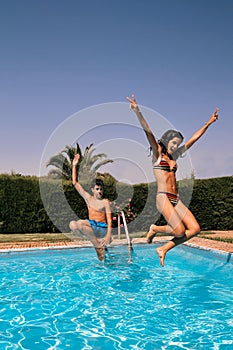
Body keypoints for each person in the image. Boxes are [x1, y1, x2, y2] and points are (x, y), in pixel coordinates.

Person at [127, 94, 218, 267]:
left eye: (178, 144)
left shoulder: (174, 157)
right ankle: (154, 229)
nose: (175, 146)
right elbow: (149, 133)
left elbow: (193, 139)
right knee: (178, 230)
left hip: (175, 199)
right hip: (162, 197)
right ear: (167, 140)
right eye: (174, 142)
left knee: (195, 229)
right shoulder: (157, 154)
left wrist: (208, 123)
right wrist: (138, 112)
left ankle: (163, 248)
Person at [69, 154, 112, 261]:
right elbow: (75, 183)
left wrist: (108, 236)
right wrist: (74, 165)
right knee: (73, 225)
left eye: (101, 189)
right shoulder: (88, 198)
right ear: (92, 189)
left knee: (79, 223)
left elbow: (110, 221)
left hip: (102, 228)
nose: (100, 191)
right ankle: (97, 244)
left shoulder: (105, 202)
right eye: (97, 189)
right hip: (91, 226)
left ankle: (97, 246)